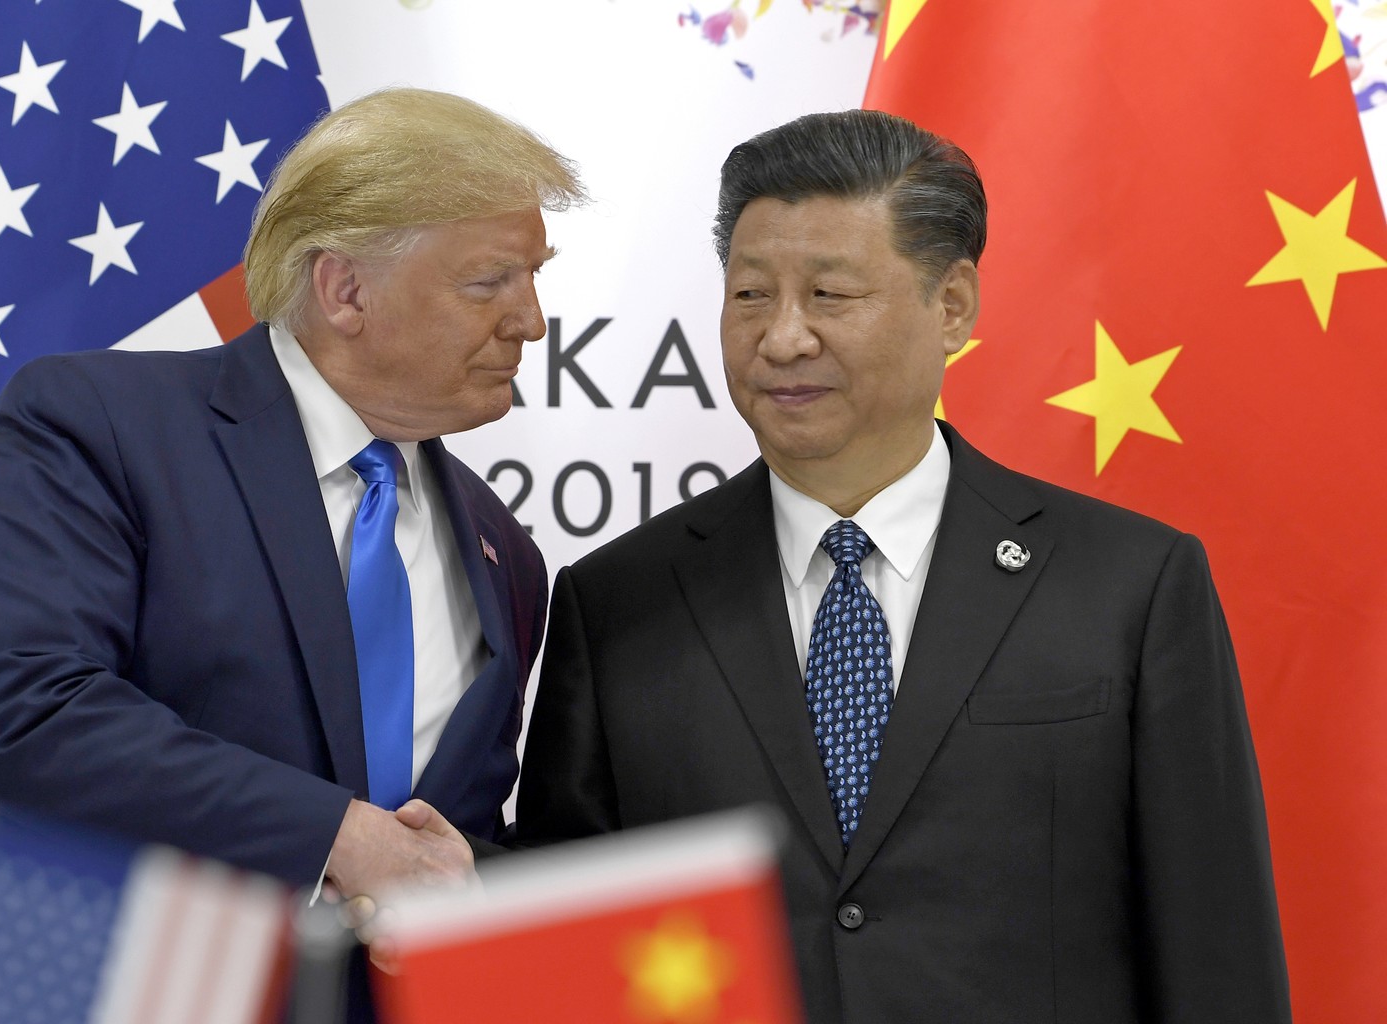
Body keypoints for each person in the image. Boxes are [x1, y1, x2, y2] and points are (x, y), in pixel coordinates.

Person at [515, 109, 1290, 1023]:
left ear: (952, 305)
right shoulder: (618, 604)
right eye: (751, 294)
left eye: (831, 295)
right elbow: (568, 951)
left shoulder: (1130, 585)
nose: (783, 339)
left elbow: (1216, 950)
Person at [0, 87, 583, 1023]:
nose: (531, 322)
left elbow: (440, 847)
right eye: (491, 281)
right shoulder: (100, 424)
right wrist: (338, 836)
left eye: (534, 279)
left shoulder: (507, 557)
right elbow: (23, 714)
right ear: (345, 289)